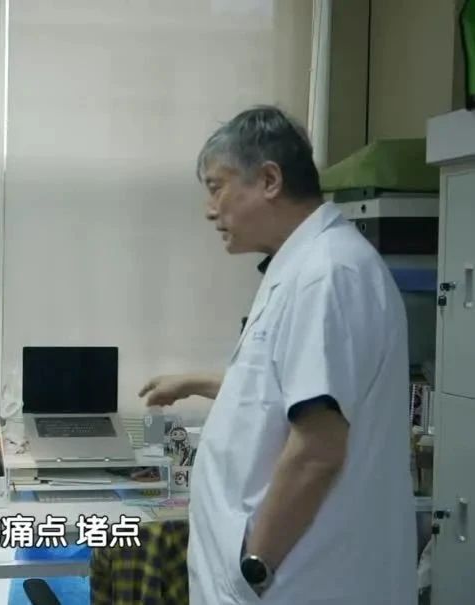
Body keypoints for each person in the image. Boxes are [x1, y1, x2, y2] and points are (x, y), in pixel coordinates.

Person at [139, 106, 415, 604]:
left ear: (269, 180)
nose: (209, 210)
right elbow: (282, 391)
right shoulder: (303, 267)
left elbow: (317, 449)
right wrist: (195, 382)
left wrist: (256, 564)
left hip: (298, 581)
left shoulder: (327, 275)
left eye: (217, 187)